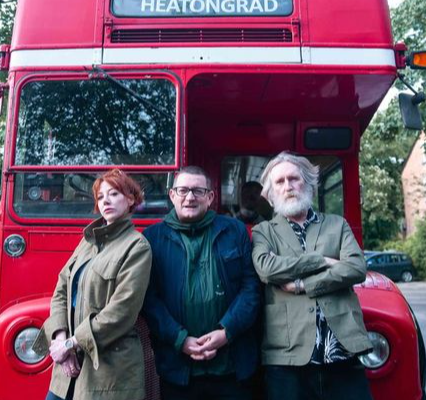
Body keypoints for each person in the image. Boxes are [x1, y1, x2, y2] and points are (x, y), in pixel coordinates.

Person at [251, 152, 373, 400]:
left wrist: (302, 285)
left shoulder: (337, 224)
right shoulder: (263, 231)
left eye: (294, 179)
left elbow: (356, 268)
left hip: (343, 351)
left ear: (307, 183)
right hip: (287, 356)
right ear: (271, 194)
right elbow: (267, 268)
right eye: (280, 182)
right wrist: (322, 260)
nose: (288, 186)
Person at [142, 166, 260, 400]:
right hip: (177, 369)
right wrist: (180, 339)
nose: (190, 197)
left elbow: (251, 288)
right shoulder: (152, 238)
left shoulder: (234, 230)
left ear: (210, 197)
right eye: (183, 190)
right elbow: (149, 300)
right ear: (172, 195)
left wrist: (227, 331)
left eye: (198, 191)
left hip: (232, 367)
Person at [38, 169, 152, 400]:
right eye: (100, 197)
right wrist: (60, 340)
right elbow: (61, 289)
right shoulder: (87, 242)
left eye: (114, 194)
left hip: (108, 371)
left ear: (131, 199)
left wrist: (71, 344)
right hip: (67, 368)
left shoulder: (137, 246)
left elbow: (122, 311)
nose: (106, 201)